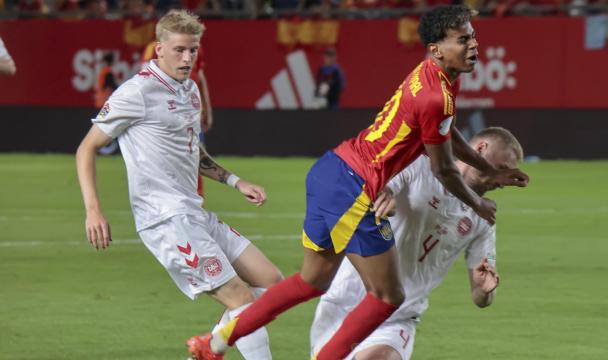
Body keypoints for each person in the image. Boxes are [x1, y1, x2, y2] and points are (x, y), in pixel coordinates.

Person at [207, 5, 529, 360]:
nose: (474, 46)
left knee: (310, 281)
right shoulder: (436, 96)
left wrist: (491, 170)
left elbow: (446, 133)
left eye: (474, 37)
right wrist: (479, 203)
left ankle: (217, 341)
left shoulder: (441, 78)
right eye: (463, 39)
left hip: (329, 171)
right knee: (389, 296)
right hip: (353, 184)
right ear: (436, 49)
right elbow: (444, 170)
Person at [75, 10, 282, 360]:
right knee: (242, 303)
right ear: (159, 49)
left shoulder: (190, 91)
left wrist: (234, 180)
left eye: (193, 51)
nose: (187, 58)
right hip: (165, 219)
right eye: (180, 50)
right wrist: (93, 209)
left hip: (193, 212)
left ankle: (206, 349)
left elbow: (193, 151)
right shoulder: (138, 91)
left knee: (272, 283)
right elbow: (86, 147)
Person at [310, 127, 522, 359]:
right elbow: (381, 185)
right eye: (502, 170)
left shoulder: (483, 219)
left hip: (396, 317)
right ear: (481, 149)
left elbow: (480, 298)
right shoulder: (422, 165)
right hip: (345, 300)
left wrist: (485, 289)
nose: (503, 181)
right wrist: (385, 194)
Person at [142, 36, 213, 198]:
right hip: (165, 113)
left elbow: (200, 77)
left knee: (194, 157)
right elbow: (145, 78)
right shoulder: (152, 48)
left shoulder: (196, 47)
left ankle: (196, 202)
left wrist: (206, 109)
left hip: (190, 112)